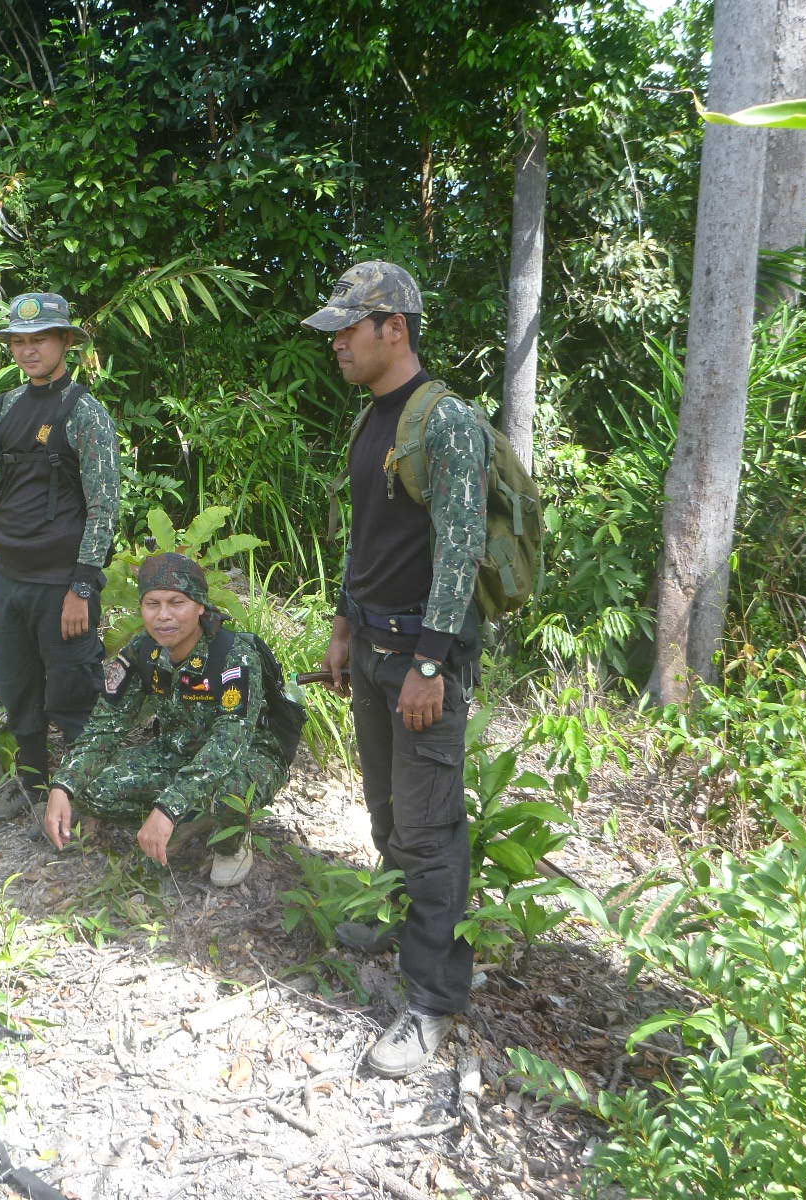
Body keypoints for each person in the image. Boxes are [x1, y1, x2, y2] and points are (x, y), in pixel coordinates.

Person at [302, 261, 488, 1078]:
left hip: (421, 658)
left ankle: (432, 1003)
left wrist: (431, 664)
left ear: (395, 329)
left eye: (350, 329)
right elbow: (366, 541)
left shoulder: (446, 423)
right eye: (336, 331)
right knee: (385, 810)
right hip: (374, 648)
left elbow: (460, 549)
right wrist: (343, 628)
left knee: (429, 828)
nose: (337, 343)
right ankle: (393, 909)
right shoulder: (373, 421)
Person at [0, 293, 120, 822]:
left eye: (40, 340)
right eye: (19, 341)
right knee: (17, 687)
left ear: (66, 342)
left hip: (62, 583)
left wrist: (83, 586)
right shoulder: (5, 407)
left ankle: (80, 799)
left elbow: (104, 505)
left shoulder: (84, 412)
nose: (28, 351)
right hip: (12, 577)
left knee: (73, 691)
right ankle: (31, 784)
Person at [43, 553, 292, 888]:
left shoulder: (233, 655)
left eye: (177, 603)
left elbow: (228, 745)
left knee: (228, 795)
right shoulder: (142, 650)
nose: (163, 615)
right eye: (152, 604)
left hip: (248, 756)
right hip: (177, 751)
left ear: (200, 606)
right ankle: (191, 815)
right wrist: (63, 785)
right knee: (92, 789)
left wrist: (168, 807)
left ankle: (230, 840)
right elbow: (105, 726)